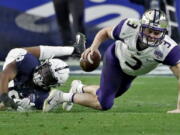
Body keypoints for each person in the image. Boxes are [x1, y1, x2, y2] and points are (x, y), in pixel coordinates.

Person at [43, 9, 180, 113]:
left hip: (130, 72)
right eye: (149, 30)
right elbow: (105, 32)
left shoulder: (168, 48)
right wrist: (94, 48)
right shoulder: (130, 26)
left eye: (156, 33)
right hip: (115, 59)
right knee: (104, 103)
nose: (151, 36)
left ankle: (79, 88)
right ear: (141, 27)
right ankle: (61, 96)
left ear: (163, 33)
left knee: (110, 94)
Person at [0, 33, 86, 112]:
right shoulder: (29, 63)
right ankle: (74, 50)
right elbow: (5, 75)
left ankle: (70, 95)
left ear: (54, 84)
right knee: (18, 52)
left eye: (49, 78)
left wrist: (23, 105)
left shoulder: (42, 96)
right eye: (45, 71)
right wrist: (4, 97)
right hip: (15, 62)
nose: (42, 77)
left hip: (19, 87)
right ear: (44, 63)